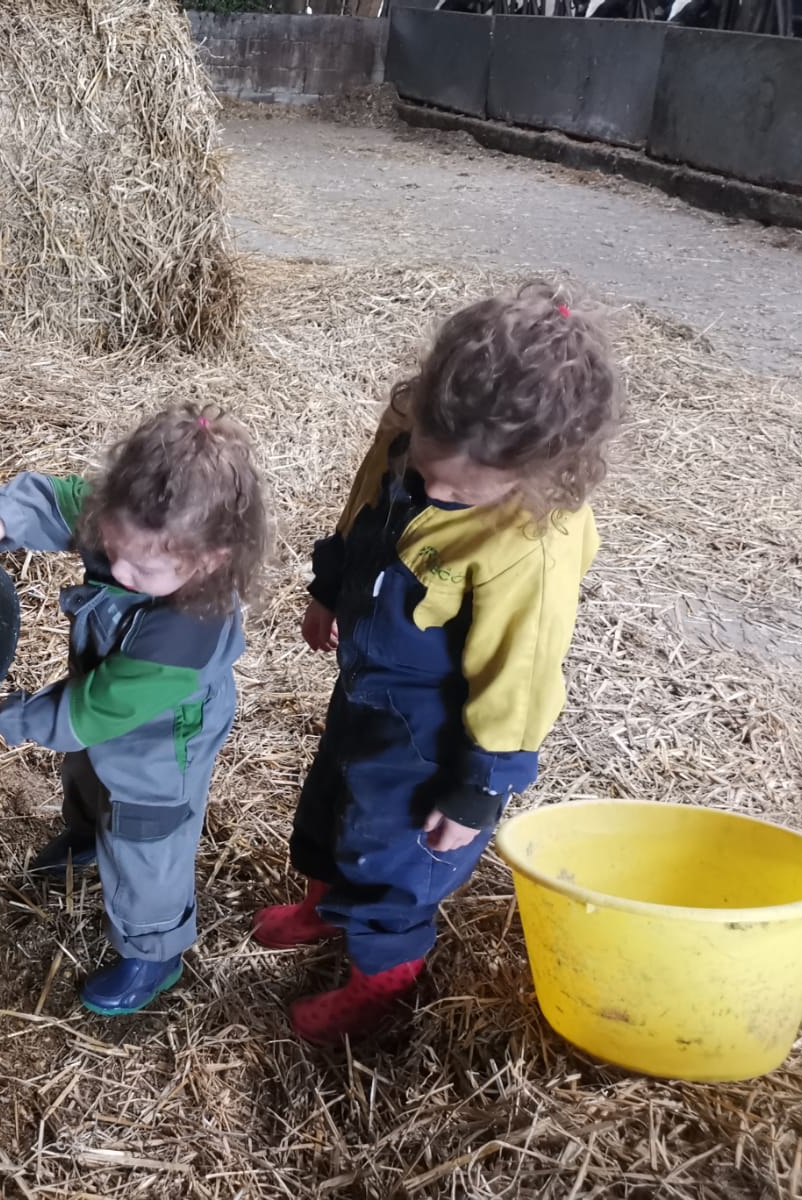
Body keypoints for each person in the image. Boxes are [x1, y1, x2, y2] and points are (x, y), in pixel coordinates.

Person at [252, 283, 623, 1044]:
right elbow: (366, 507)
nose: (435, 491)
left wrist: (478, 789)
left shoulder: (533, 540)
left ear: (539, 473)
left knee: (393, 850)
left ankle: (379, 979)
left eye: (461, 493)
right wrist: (332, 589)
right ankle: (326, 904)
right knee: (330, 800)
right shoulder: (413, 431)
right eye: (426, 471)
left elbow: (520, 677)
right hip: (369, 686)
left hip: (434, 728)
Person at [0, 404, 267, 1016]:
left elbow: (83, 715)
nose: (117, 568)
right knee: (87, 773)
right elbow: (52, 501)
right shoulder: (132, 518)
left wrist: (1, 715)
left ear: (209, 561)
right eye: (113, 546)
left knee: (147, 838)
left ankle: (155, 948)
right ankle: (87, 835)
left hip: (162, 740)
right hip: (105, 699)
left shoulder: (183, 638)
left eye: (142, 567)